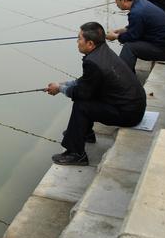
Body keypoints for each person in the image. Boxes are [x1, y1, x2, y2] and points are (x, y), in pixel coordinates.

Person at [46, 22, 146, 166]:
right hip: (134, 105)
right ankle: (85, 134)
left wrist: (59, 89)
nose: (77, 42)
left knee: (81, 104)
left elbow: (82, 92)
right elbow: (88, 82)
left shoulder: (93, 62)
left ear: (90, 44)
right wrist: (64, 85)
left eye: (79, 39)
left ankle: (76, 154)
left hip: (129, 113)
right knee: (85, 97)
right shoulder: (102, 51)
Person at [105, 0, 165, 73]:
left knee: (129, 47)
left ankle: (123, 77)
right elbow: (138, 28)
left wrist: (116, 36)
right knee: (130, 44)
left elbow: (132, 36)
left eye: (116, 0)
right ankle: (129, 75)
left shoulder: (136, 13)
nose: (115, 3)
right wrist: (123, 30)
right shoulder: (140, 3)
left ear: (124, 0)